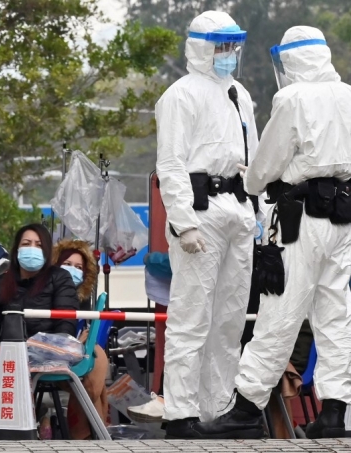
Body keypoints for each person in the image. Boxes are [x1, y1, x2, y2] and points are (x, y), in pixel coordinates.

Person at [195, 26, 351, 439]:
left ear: (293, 60)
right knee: (336, 314)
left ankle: (246, 407)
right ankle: (335, 412)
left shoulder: (293, 98)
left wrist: (251, 183)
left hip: (301, 220)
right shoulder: (349, 95)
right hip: (344, 217)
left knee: (279, 310)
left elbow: (267, 162)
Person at [155, 10, 260, 438]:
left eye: (232, 45)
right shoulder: (180, 95)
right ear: (200, 46)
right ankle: (180, 412)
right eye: (220, 46)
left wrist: (260, 213)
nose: (228, 54)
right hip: (201, 211)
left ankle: (217, 411)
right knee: (191, 315)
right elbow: (171, 162)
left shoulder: (241, 95)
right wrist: (183, 222)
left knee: (230, 319)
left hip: (238, 208)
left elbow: (255, 159)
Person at [0, 224, 80, 426]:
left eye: (38, 245)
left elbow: (66, 324)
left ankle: (31, 420)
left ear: (47, 251)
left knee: (21, 381)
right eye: (26, 243)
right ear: (17, 250)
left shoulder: (60, 278)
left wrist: (44, 351)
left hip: (46, 354)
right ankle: (0, 428)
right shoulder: (0, 284)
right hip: (7, 353)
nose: (32, 249)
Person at [52, 239, 108, 440]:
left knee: (97, 360)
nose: (72, 271)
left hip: (74, 356)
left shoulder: (82, 301)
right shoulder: (44, 295)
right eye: (67, 265)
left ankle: (89, 434)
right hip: (51, 355)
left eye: (78, 267)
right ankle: (89, 435)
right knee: (96, 367)